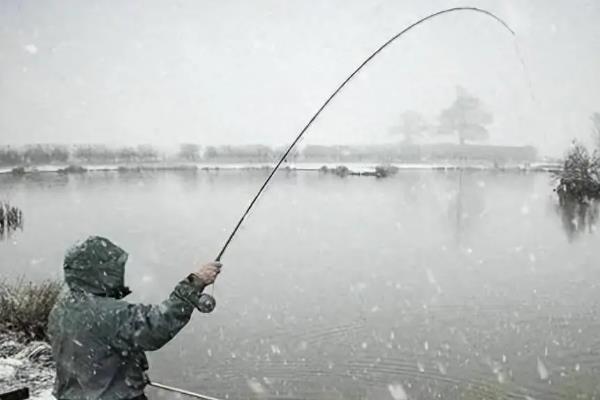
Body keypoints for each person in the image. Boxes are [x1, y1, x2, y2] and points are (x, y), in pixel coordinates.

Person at [47, 236, 222, 400]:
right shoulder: (109, 313)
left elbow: (96, 350)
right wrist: (195, 283)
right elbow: (157, 325)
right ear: (99, 272)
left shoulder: (62, 307)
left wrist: (130, 371)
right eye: (112, 269)